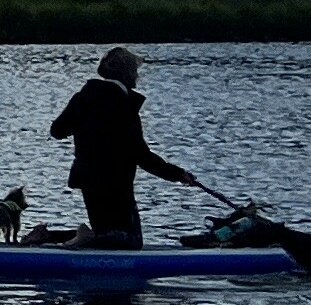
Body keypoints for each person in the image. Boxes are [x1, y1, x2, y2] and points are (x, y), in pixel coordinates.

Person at [47, 46, 208, 246]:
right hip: (115, 182)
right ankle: (69, 238)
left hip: (88, 178)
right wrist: (177, 174)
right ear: (128, 74)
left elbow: (57, 131)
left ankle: (50, 236)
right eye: (136, 71)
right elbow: (140, 155)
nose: (137, 77)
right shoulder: (123, 105)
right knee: (128, 241)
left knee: (114, 236)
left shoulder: (83, 98)